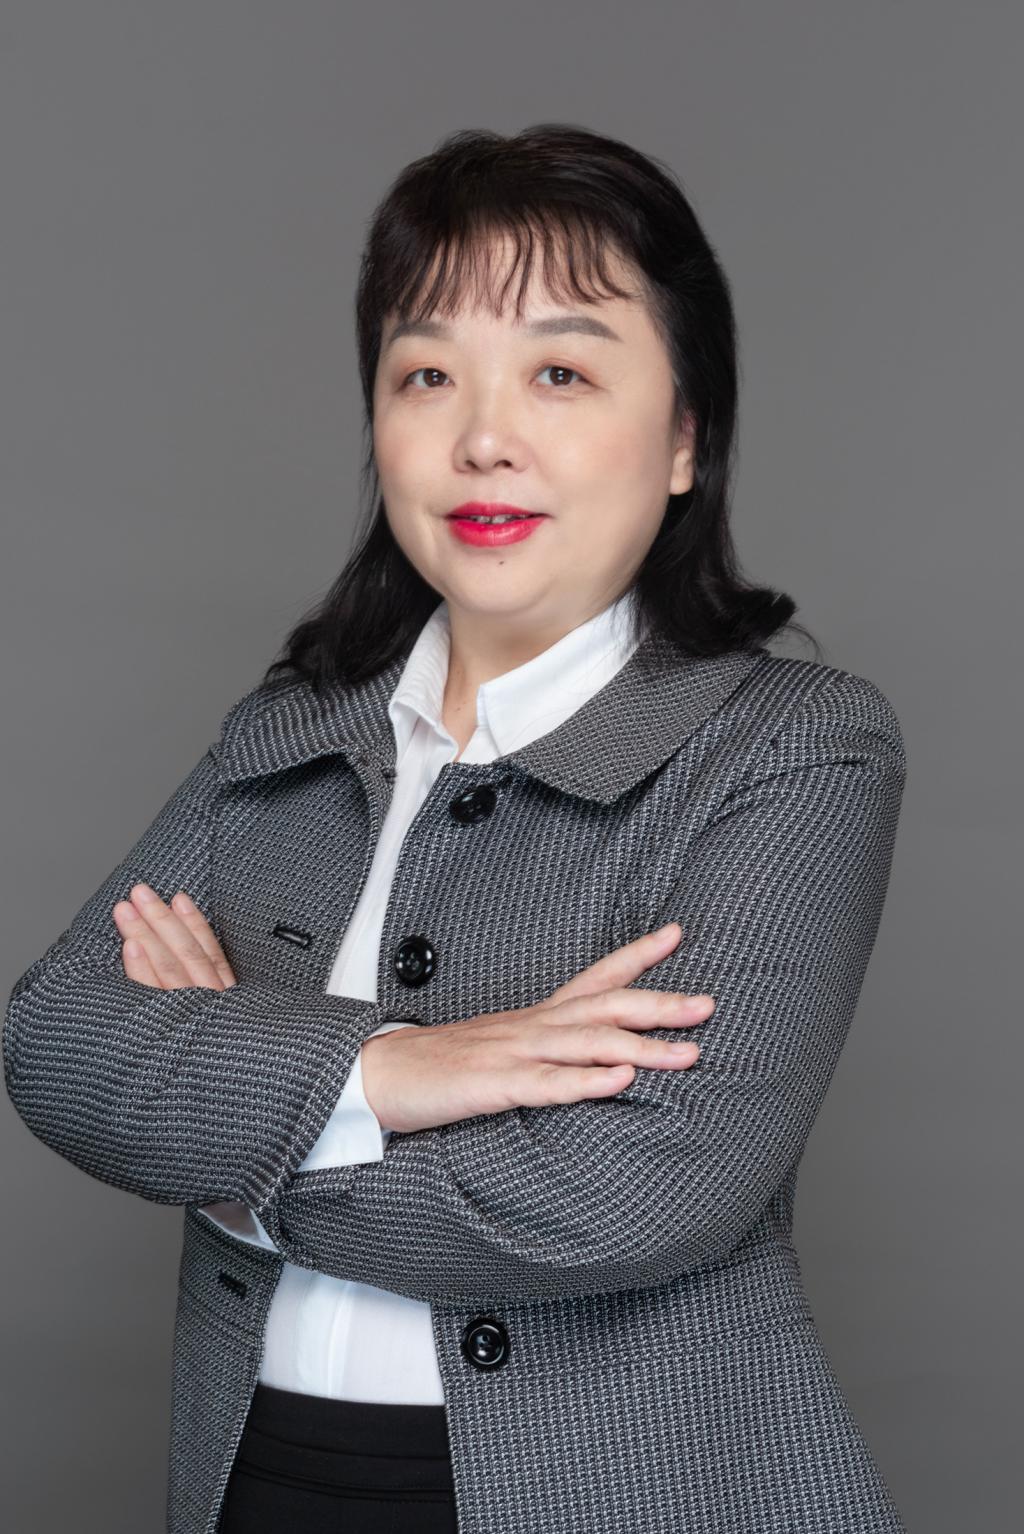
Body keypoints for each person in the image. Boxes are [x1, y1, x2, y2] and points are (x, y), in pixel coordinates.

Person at [3, 123, 909, 1533]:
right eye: (427, 375)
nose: (483, 437)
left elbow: (636, 1188)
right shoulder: (293, 725)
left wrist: (242, 1160)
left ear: (685, 437)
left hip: (631, 1493)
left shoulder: (792, 744)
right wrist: (393, 1068)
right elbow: (59, 1038)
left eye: (561, 372)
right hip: (254, 1479)